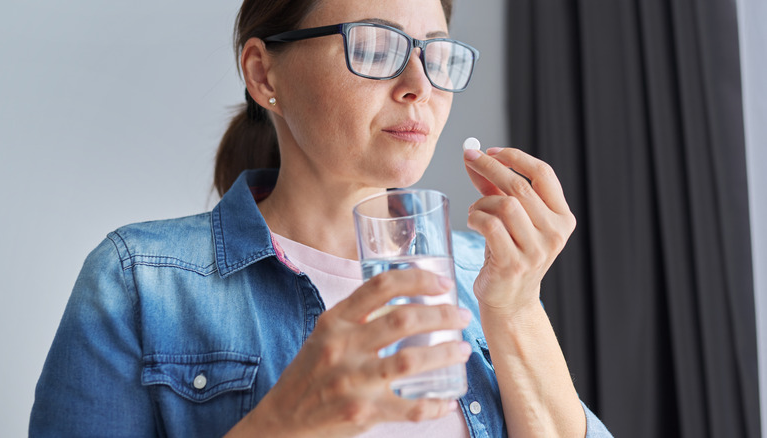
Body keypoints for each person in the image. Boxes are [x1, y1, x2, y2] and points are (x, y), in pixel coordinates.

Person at [30, 0, 612, 436]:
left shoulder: (482, 272)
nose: (420, 87)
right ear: (263, 75)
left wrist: (515, 307)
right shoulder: (142, 283)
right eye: (376, 48)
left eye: (436, 55)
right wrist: (280, 425)